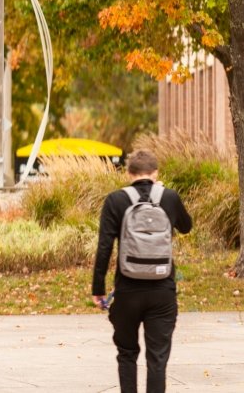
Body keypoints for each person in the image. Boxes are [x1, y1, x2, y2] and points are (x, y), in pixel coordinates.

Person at [91, 150, 193, 393]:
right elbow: (187, 227)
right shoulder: (168, 197)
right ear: (155, 173)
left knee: (127, 353)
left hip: (127, 290)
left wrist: (98, 289)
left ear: (129, 173)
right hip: (162, 290)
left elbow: (104, 247)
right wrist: (165, 195)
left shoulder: (115, 200)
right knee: (157, 358)